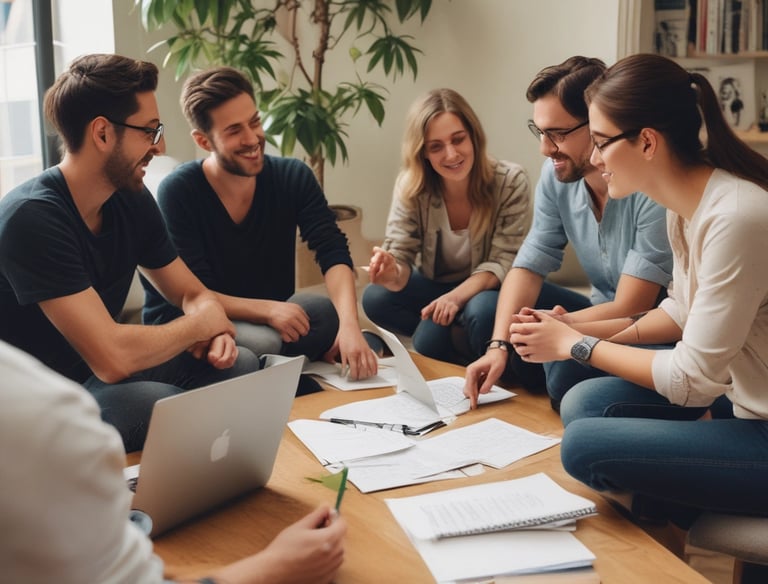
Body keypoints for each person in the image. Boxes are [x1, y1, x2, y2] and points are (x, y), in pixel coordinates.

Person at [508, 53, 768, 526]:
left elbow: (692, 381)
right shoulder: (685, 202)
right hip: (741, 399)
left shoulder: (735, 217)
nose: (593, 157)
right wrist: (577, 333)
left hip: (756, 421)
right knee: (584, 402)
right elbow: (679, 310)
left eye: (603, 142)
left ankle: (673, 513)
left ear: (647, 142)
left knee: (584, 446)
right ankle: (677, 499)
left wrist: (577, 345)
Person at [0, 54, 260, 453]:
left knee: (237, 362)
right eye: (150, 131)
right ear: (102, 133)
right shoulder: (30, 218)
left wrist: (209, 320)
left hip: (96, 373)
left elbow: (191, 293)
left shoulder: (130, 197)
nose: (161, 146)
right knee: (158, 403)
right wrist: (200, 326)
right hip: (38, 398)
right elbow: (112, 358)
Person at [0, 339, 346, 584]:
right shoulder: (42, 413)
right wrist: (274, 570)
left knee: (241, 355)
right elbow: (113, 356)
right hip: (95, 386)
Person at [142, 66, 378, 381]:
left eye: (254, 121)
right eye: (234, 130)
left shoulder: (293, 176)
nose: (253, 138)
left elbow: (332, 249)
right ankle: (270, 368)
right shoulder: (179, 191)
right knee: (260, 343)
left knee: (323, 314)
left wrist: (350, 326)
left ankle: (271, 368)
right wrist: (269, 310)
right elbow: (195, 294)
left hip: (263, 319)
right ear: (204, 140)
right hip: (194, 324)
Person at [464, 56, 672, 410]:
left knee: (561, 372)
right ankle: (528, 361)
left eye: (557, 134)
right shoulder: (556, 176)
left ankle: (546, 368)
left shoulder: (648, 186)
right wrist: (498, 345)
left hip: (647, 325)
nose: (545, 149)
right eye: (540, 132)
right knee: (486, 310)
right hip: (596, 310)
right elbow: (528, 265)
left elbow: (633, 305)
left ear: (596, 123)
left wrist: (560, 326)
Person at [361, 88, 532, 366]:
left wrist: (455, 298)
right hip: (435, 285)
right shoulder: (411, 186)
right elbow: (401, 255)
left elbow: (505, 262)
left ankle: (454, 331)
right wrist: (392, 273)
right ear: (423, 153)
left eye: (458, 139)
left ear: (473, 137)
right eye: (436, 146)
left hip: (487, 288)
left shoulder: (510, 181)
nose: (451, 154)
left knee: (463, 321)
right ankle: (458, 333)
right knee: (376, 297)